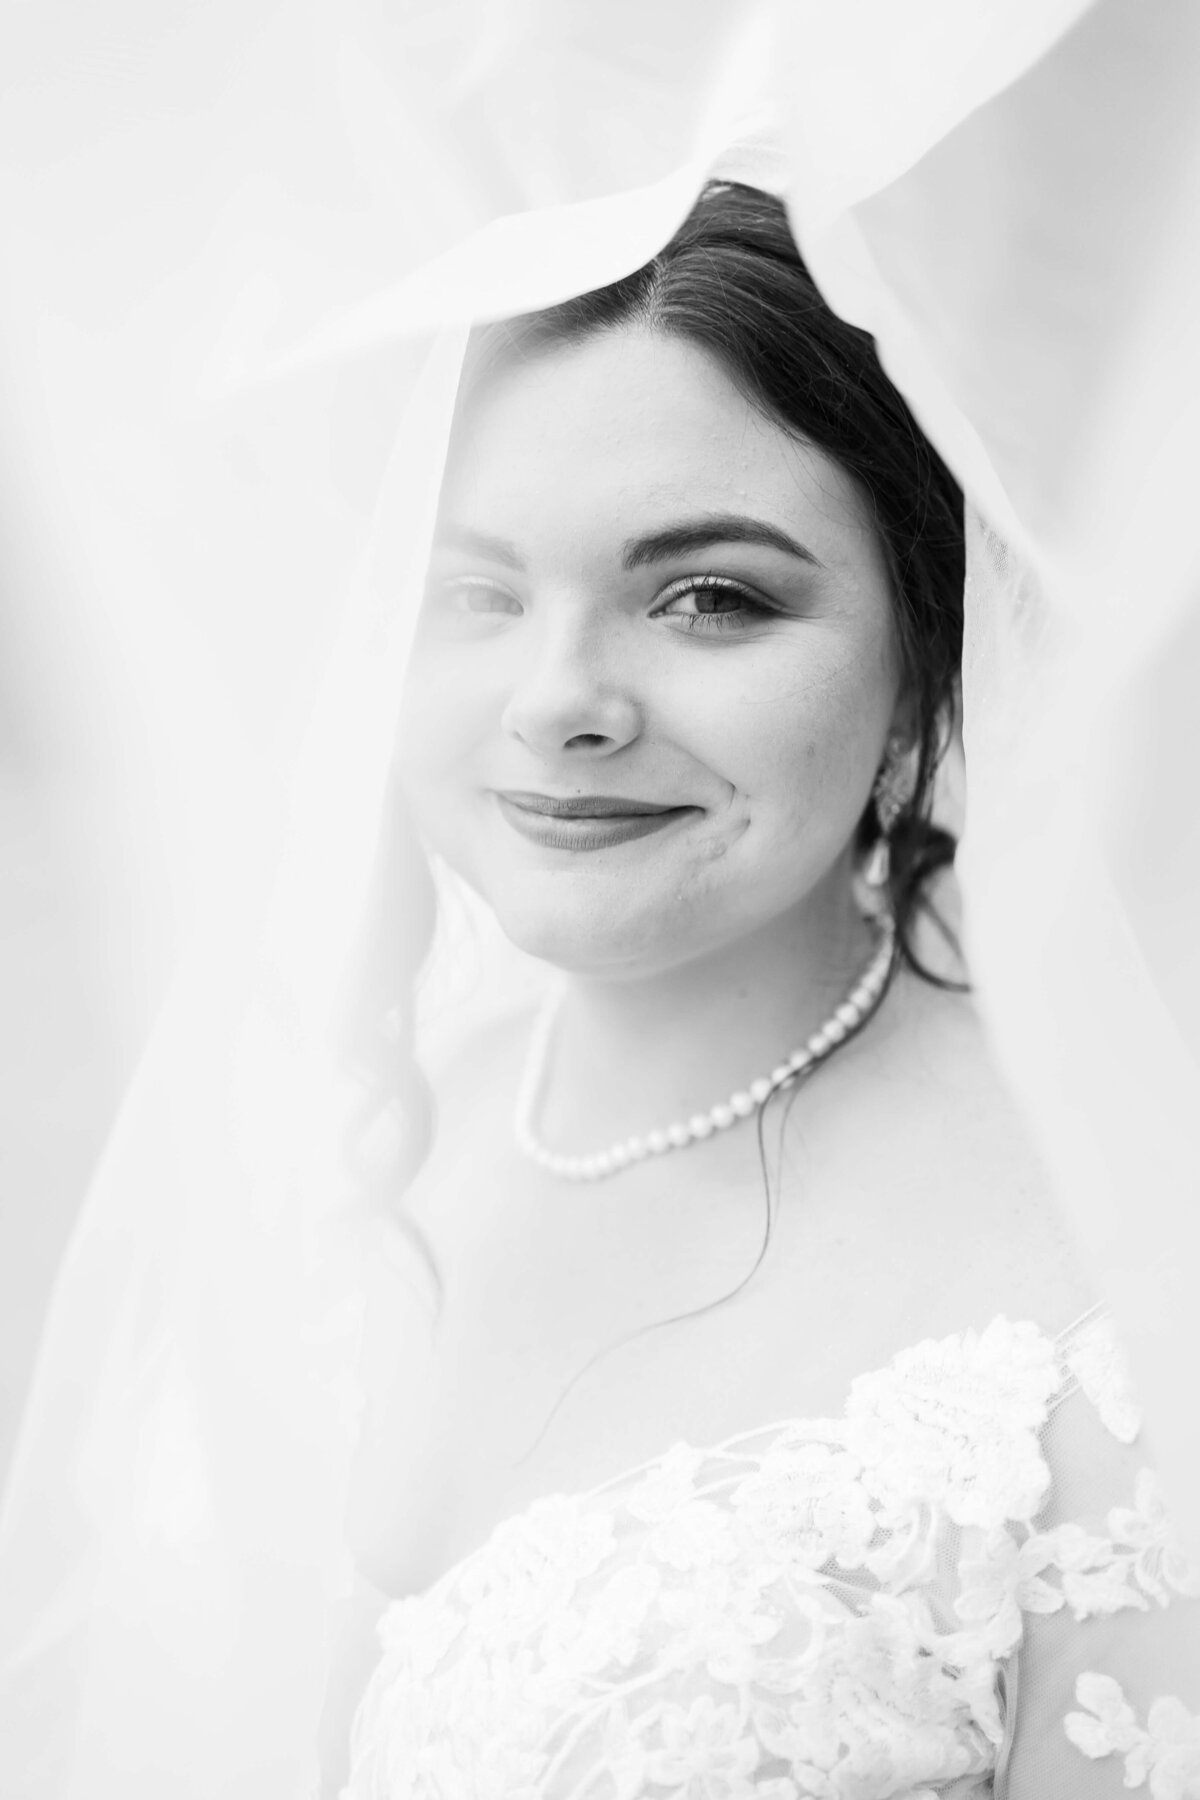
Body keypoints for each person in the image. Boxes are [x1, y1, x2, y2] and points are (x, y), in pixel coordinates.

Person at [331, 184, 1200, 1796]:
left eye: (711, 596)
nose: (561, 700)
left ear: (924, 663)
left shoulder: (1121, 1295)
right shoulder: (319, 1143)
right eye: (478, 593)